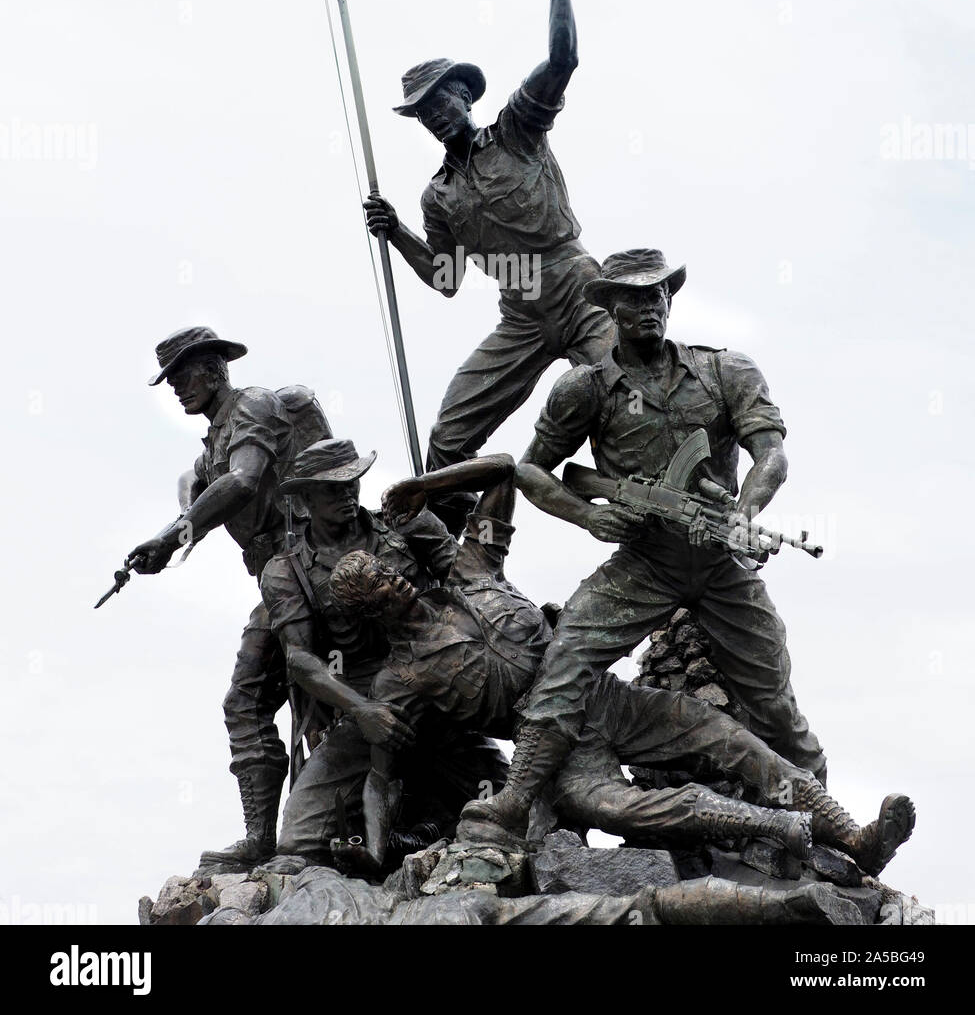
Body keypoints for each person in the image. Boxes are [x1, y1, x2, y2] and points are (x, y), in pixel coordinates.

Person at [325, 457, 914, 877]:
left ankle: (854, 836)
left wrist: (426, 485)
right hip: (555, 758)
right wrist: (374, 852)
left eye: (388, 571)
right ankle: (773, 826)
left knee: (732, 742)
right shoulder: (399, 681)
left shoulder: (474, 572)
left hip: (609, 700)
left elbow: (506, 470)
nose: (395, 581)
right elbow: (382, 776)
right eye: (379, 588)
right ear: (370, 612)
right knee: (617, 807)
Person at [460, 247, 830, 845]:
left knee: (774, 702)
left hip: (718, 559)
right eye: (633, 298)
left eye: (657, 294)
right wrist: (589, 517)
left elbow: (772, 454)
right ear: (609, 307)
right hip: (645, 563)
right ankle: (515, 799)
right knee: (565, 664)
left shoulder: (725, 370)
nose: (649, 306)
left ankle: (827, 823)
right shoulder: (584, 389)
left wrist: (744, 513)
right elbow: (531, 471)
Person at [363, 0, 613, 527]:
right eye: (420, 112)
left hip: (578, 289)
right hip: (520, 316)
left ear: (462, 95)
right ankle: (462, 562)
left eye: (437, 101)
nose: (430, 116)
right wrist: (396, 230)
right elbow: (444, 279)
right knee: (447, 440)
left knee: (626, 401)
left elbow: (563, 61)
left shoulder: (516, 130)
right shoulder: (437, 195)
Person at [128, 325, 327, 868]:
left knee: (286, 695)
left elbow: (243, 481)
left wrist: (172, 537)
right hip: (275, 576)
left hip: (310, 565)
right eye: (170, 379)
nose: (176, 388)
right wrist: (171, 535)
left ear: (215, 366)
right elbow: (206, 490)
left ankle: (311, 829)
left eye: (182, 374)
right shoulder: (213, 440)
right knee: (245, 703)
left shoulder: (253, 406)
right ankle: (262, 836)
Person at [260, 439, 508, 862]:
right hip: (371, 701)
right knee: (298, 841)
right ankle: (395, 841)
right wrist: (360, 711)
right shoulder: (286, 571)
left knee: (517, 795)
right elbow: (299, 659)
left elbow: (473, 583)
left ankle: (432, 831)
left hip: (442, 680)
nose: (347, 494)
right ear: (304, 499)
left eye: (352, 482)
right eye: (332, 488)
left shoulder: (406, 524)